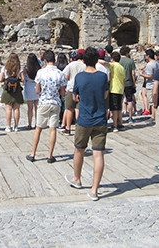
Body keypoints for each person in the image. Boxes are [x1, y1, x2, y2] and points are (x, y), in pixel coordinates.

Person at [64, 47, 109, 201]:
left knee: (79, 150)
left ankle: (77, 178)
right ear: (97, 60)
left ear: (83, 60)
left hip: (84, 118)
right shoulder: (103, 77)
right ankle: (94, 190)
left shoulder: (80, 77)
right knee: (98, 154)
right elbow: (105, 94)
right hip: (100, 118)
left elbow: (76, 96)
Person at [26, 50, 67, 163]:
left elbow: (37, 90)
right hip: (55, 102)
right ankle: (50, 155)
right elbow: (63, 92)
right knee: (52, 129)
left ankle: (33, 153)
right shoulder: (60, 73)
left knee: (38, 128)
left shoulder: (40, 72)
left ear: (45, 60)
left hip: (44, 102)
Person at [62, 49, 86, 135]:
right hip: (81, 88)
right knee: (78, 109)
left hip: (71, 87)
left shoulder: (70, 65)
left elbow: (66, 76)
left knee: (69, 109)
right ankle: (79, 127)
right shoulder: (84, 65)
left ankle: (68, 128)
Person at [0, 53, 25, 132]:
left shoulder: (5, 68)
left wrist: (6, 80)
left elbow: (0, 79)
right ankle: (16, 126)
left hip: (8, 88)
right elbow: (23, 79)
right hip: (16, 88)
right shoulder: (19, 68)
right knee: (16, 109)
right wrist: (18, 79)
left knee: (8, 109)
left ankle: (8, 126)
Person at [23, 53, 41, 130]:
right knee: (37, 107)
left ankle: (29, 124)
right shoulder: (39, 69)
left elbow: (23, 79)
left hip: (29, 87)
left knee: (30, 108)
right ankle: (37, 123)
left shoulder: (26, 69)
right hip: (37, 87)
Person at [119, 46, 137, 123]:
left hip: (119, 83)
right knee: (129, 100)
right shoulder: (130, 61)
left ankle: (118, 118)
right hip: (128, 82)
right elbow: (133, 73)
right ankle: (130, 117)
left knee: (120, 100)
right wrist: (134, 83)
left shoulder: (118, 60)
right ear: (127, 53)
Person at [139, 48, 159, 117]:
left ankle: (153, 116)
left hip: (150, 85)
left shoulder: (150, 65)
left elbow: (150, 76)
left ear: (148, 56)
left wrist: (142, 74)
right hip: (156, 83)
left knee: (152, 102)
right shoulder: (156, 63)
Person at [109, 51, 126, 132]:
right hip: (120, 89)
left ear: (112, 59)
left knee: (114, 108)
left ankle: (115, 125)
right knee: (119, 108)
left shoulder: (113, 65)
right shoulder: (122, 67)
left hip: (114, 89)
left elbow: (104, 63)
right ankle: (121, 123)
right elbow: (124, 80)